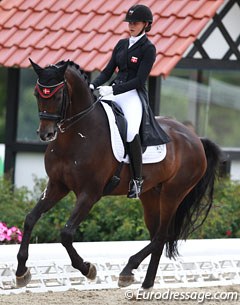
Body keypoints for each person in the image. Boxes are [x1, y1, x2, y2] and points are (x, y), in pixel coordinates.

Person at [90, 4, 170, 199]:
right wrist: (93, 85)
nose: (131, 25)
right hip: (113, 91)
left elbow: (139, 80)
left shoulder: (148, 49)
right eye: (129, 22)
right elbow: (108, 71)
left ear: (146, 24)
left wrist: (113, 89)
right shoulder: (121, 44)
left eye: (135, 22)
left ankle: (136, 180)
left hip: (133, 95)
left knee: (131, 130)